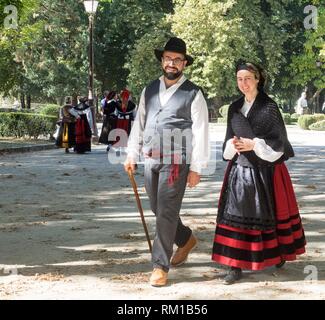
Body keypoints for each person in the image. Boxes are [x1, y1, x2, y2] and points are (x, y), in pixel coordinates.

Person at [124, 37, 209, 287]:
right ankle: (185, 240)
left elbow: (202, 131)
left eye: (178, 59)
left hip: (176, 163)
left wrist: (196, 167)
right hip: (151, 159)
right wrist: (131, 153)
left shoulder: (194, 93)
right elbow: (139, 124)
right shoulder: (149, 89)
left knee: (166, 213)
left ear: (184, 64)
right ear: (162, 61)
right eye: (168, 58)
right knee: (157, 208)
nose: (172, 63)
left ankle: (160, 266)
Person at [212, 62, 306, 284]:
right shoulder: (234, 108)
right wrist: (234, 145)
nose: (243, 83)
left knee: (269, 215)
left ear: (258, 79)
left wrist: (254, 144)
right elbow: (228, 138)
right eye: (239, 79)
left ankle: (278, 252)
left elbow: (279, 142)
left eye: (247, 78)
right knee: (235, 216)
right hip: (240, 169)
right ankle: (234, 265)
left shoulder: (269, 107)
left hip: (267, 171)